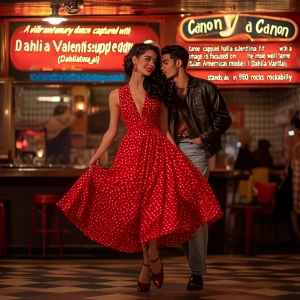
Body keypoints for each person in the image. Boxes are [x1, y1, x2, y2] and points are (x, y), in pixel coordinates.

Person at [57, 43, 223, 293]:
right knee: (137, 209)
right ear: (133, 60)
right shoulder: (116, 95)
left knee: (151, 209)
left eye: (155, 61)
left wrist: (177, 160)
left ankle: (151, 258)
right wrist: (96, 156)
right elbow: (111, 131)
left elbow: (165, 130)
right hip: (131, 155)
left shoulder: (159, 92)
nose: (152, 64)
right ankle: (151, 260)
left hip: (158, 152)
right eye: (147, 59)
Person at [160, 45, 232, 291]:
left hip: (194, 149)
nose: (162, 66)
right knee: (177, 210)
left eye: (165, 62)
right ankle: (196, 266)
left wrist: (201, 138)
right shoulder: (165, 90)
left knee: (195, 206)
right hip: (170, 150)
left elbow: (224, 118)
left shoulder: (205, 88)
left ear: (178, 63)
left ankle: (197, 272)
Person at [283, 117, 300, 243]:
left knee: (293, 208)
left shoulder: (292, 137)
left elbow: (288, 156)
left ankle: (297, 237)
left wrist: (285, 168)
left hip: (296, 172)